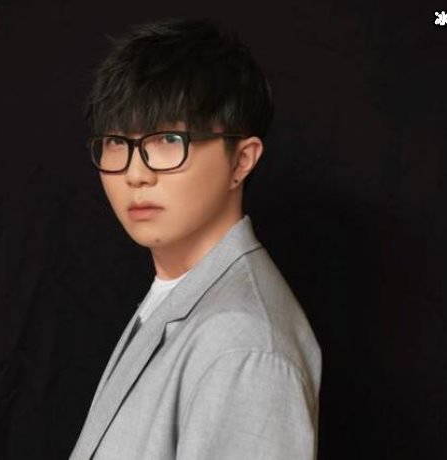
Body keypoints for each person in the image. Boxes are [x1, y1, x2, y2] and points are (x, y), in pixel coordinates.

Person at [70, 18, 321, 460]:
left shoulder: (245, 347)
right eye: (115, 141)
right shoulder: (179, 294)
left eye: (169, 139)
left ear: (241, 160)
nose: (136, 173)